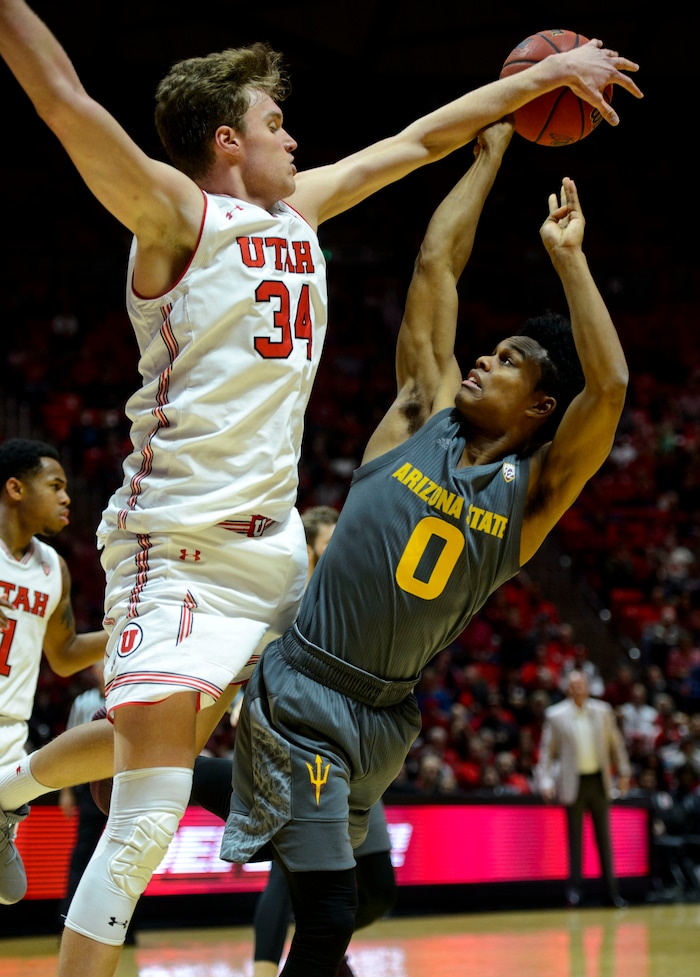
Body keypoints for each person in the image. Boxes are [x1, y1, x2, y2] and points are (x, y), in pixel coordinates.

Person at [0, 1, 642, 967]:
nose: (294, 138)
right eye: (274, 124)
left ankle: (8, 786)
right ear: (228, 140)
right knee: (149, 817)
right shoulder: (177, 214)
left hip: (276, 553)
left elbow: (423, 137)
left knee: (197, 737)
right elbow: (61, 99)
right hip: (180, 541)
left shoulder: (304, 211)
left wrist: (540, 82)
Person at [211, 109, 632, 975]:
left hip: (383, 715)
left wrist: (570, 258)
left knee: (372, 898)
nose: (482, 360)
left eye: (509, 362)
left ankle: (195, 784)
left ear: (540, 408)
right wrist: (486, 157)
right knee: (326, 914)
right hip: (307, 691)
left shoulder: (533, 496)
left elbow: (613, 384)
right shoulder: (418, 412)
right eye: (489, 351)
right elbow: (438, 263)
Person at [254, 506, 396, 977]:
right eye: (330, 539)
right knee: (290, 868)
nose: (342, 545)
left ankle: (324, 949)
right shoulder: (290, 597)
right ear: (310, 546)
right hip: (297, 739)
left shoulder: (355, 593)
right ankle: (267, 966)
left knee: (377, 887)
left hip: (352, 747)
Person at [0, 438, 107, 905]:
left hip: (9, 736)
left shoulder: (52, 568)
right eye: (55, 485)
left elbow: (62, 655)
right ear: (15, 488)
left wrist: (131, 629)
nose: (67, 497)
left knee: (10, 894)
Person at [535, 670, 632, 908]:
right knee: (574, 840)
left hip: (598, 781)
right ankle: (575, 892)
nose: (578, 689)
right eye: (574, 686)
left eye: (582, 685)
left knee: (604, 840)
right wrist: (545, 781)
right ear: (568, 689)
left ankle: (612, 892)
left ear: (588, 687)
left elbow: (616, 744)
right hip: (573, 782)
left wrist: (625, 772)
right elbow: (547, 752)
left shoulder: (603, 711)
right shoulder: (556, 715)